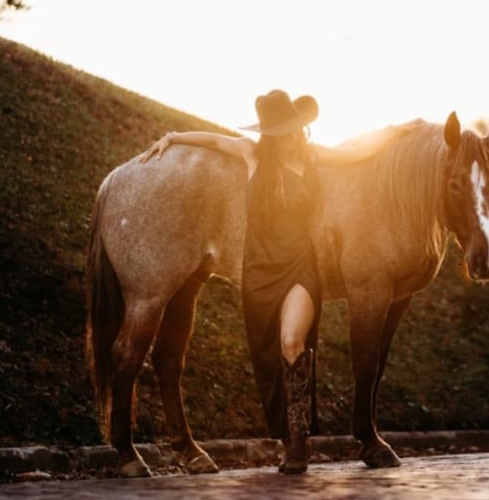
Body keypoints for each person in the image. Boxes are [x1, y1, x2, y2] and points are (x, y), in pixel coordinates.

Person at [141, 89, 375, 474]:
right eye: (276, 130)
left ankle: (299, 444)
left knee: (291, 340)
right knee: (269, 358)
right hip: (261, 271)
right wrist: (172, 137)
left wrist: (394, 134)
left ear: (298, 128)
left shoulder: (312, 156)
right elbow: (214, 140)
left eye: (288, 129)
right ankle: (287, 439)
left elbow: (355, 154)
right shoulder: (253, 154)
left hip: (301, 263)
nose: (284, 136)